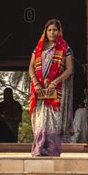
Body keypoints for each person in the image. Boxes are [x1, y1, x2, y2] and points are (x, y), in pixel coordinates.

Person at [29, 18, 74, 156]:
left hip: (56, 90)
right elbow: (31, 67)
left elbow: (69, 70)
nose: (52, 32)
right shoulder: (39, 48)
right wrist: (36, 83)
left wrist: (55, 81)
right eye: (49, 30)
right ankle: (39, 148)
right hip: (39, 89)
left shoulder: (65, 48)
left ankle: (52, 150)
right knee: (40, 119)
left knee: (54, 120)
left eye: (55, 30)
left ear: (59, 31)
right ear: (45, 32)